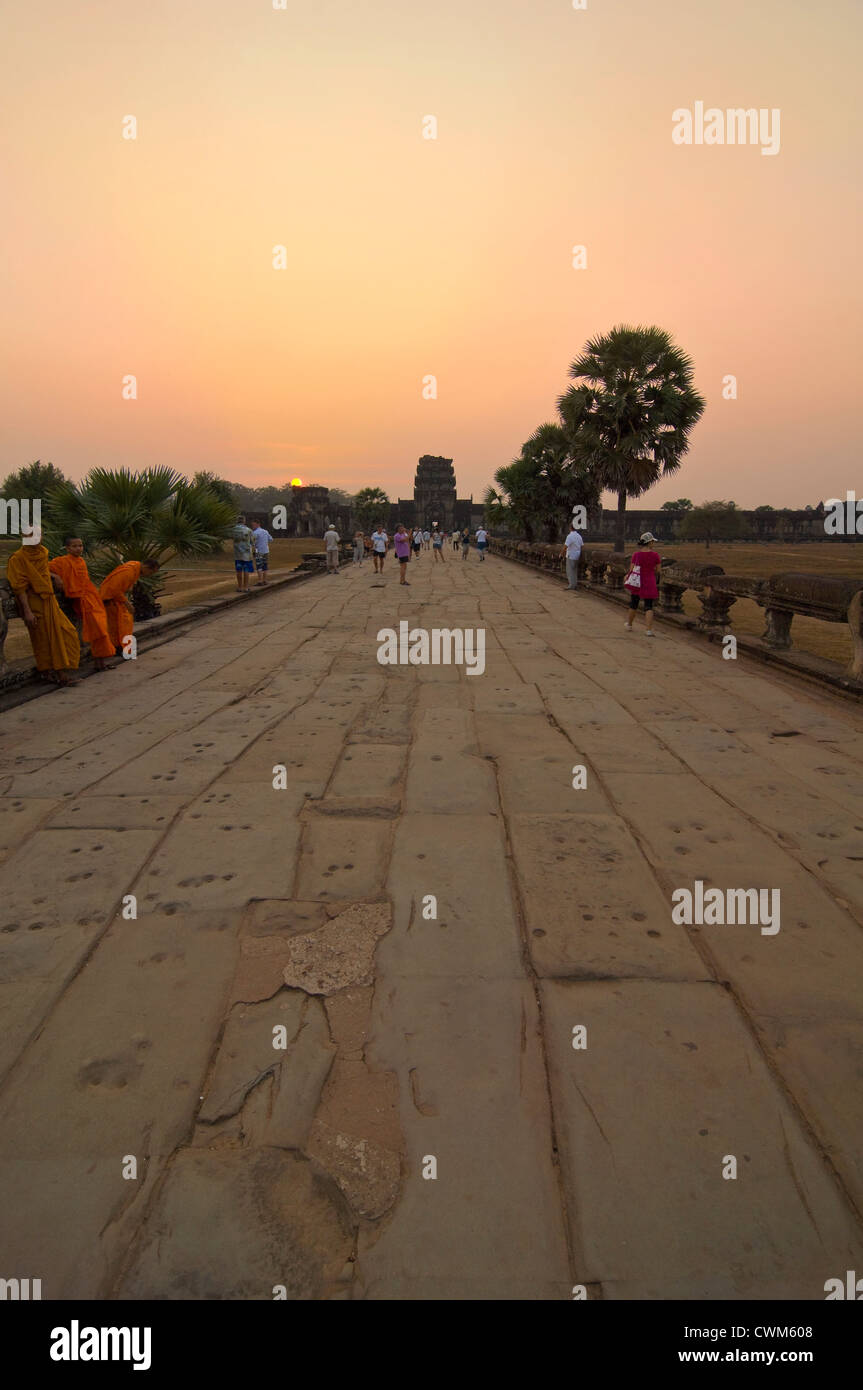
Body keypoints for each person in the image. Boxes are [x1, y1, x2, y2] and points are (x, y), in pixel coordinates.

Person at [6, 533, 81, 686]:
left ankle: (60, 672)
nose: (36, 539)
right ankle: (54, 674)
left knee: (67, 632)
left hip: (49, 600)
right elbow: (19, 588)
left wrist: (55, 576)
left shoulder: (42, 553)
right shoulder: (18, 558)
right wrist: (27, 611)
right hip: (34, 603)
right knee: (43, 640)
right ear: (24, 537)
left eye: (38, 535)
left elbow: (44, 572)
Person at [48, 536, 114, 670]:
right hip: (80, 601)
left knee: (101, 630)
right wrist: (56, 577)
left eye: (80, 546)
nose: (79, 548)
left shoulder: (81, 561)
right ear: (67, 548)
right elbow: (43, 569)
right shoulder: (61, 561)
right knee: (97, 631)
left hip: (91, 599)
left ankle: (100, 662)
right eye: (75, 546)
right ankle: (98, 663)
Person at [99, 557, 160, 654]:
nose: (149, 575)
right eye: (151, 573)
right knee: (116, 626)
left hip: (115, 599)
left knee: (122, 623)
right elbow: (115, 590)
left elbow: (124, 585)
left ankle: (122, 646)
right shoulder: (129, 571)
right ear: (147, 567)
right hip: (109, 599)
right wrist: (127, 604)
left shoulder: (134, 567)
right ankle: (118, 647)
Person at [624, 532, 662, 636]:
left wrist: (628, 576)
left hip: (637, 581)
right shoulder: (655, 555)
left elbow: (631, 569)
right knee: (649, 606)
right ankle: (648, 630)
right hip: (649, 581)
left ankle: (629, 624)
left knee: (634, 603)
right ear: (649, 542)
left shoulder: (636, 554)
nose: (653, 543)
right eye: (652, 541)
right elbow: (658, 570)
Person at [232, 514, 254, 592]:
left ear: (237, 521)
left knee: (238, 571)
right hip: (247, 554)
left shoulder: (233, 530)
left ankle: (239, 587)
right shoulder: (249, 530)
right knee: (246, 570)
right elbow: (252, 542)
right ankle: (246, 587)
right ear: (244, 521)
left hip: (237, 554)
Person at [249, 519, 274, 585]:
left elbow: (252, 542)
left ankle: (260, 581)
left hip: (259, 551)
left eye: (253, 525)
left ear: (258, 524)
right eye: (252, 525)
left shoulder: (255, 533)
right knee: (265, 566)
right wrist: (264, 542)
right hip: (266, 551)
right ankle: (265, 580)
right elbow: (271, 539)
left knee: (259, 566)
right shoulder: (265, 531)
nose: (253, 526)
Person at [563, 521, 583, 590]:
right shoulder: (579, 536)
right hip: (577, 555)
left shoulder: (570, 536)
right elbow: (582, 546)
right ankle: (574, 584)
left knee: (569, 570)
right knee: (574, 570)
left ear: (570, 528)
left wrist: (561, 553)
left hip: (571, 555)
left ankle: (571, 585)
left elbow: (565, 546)